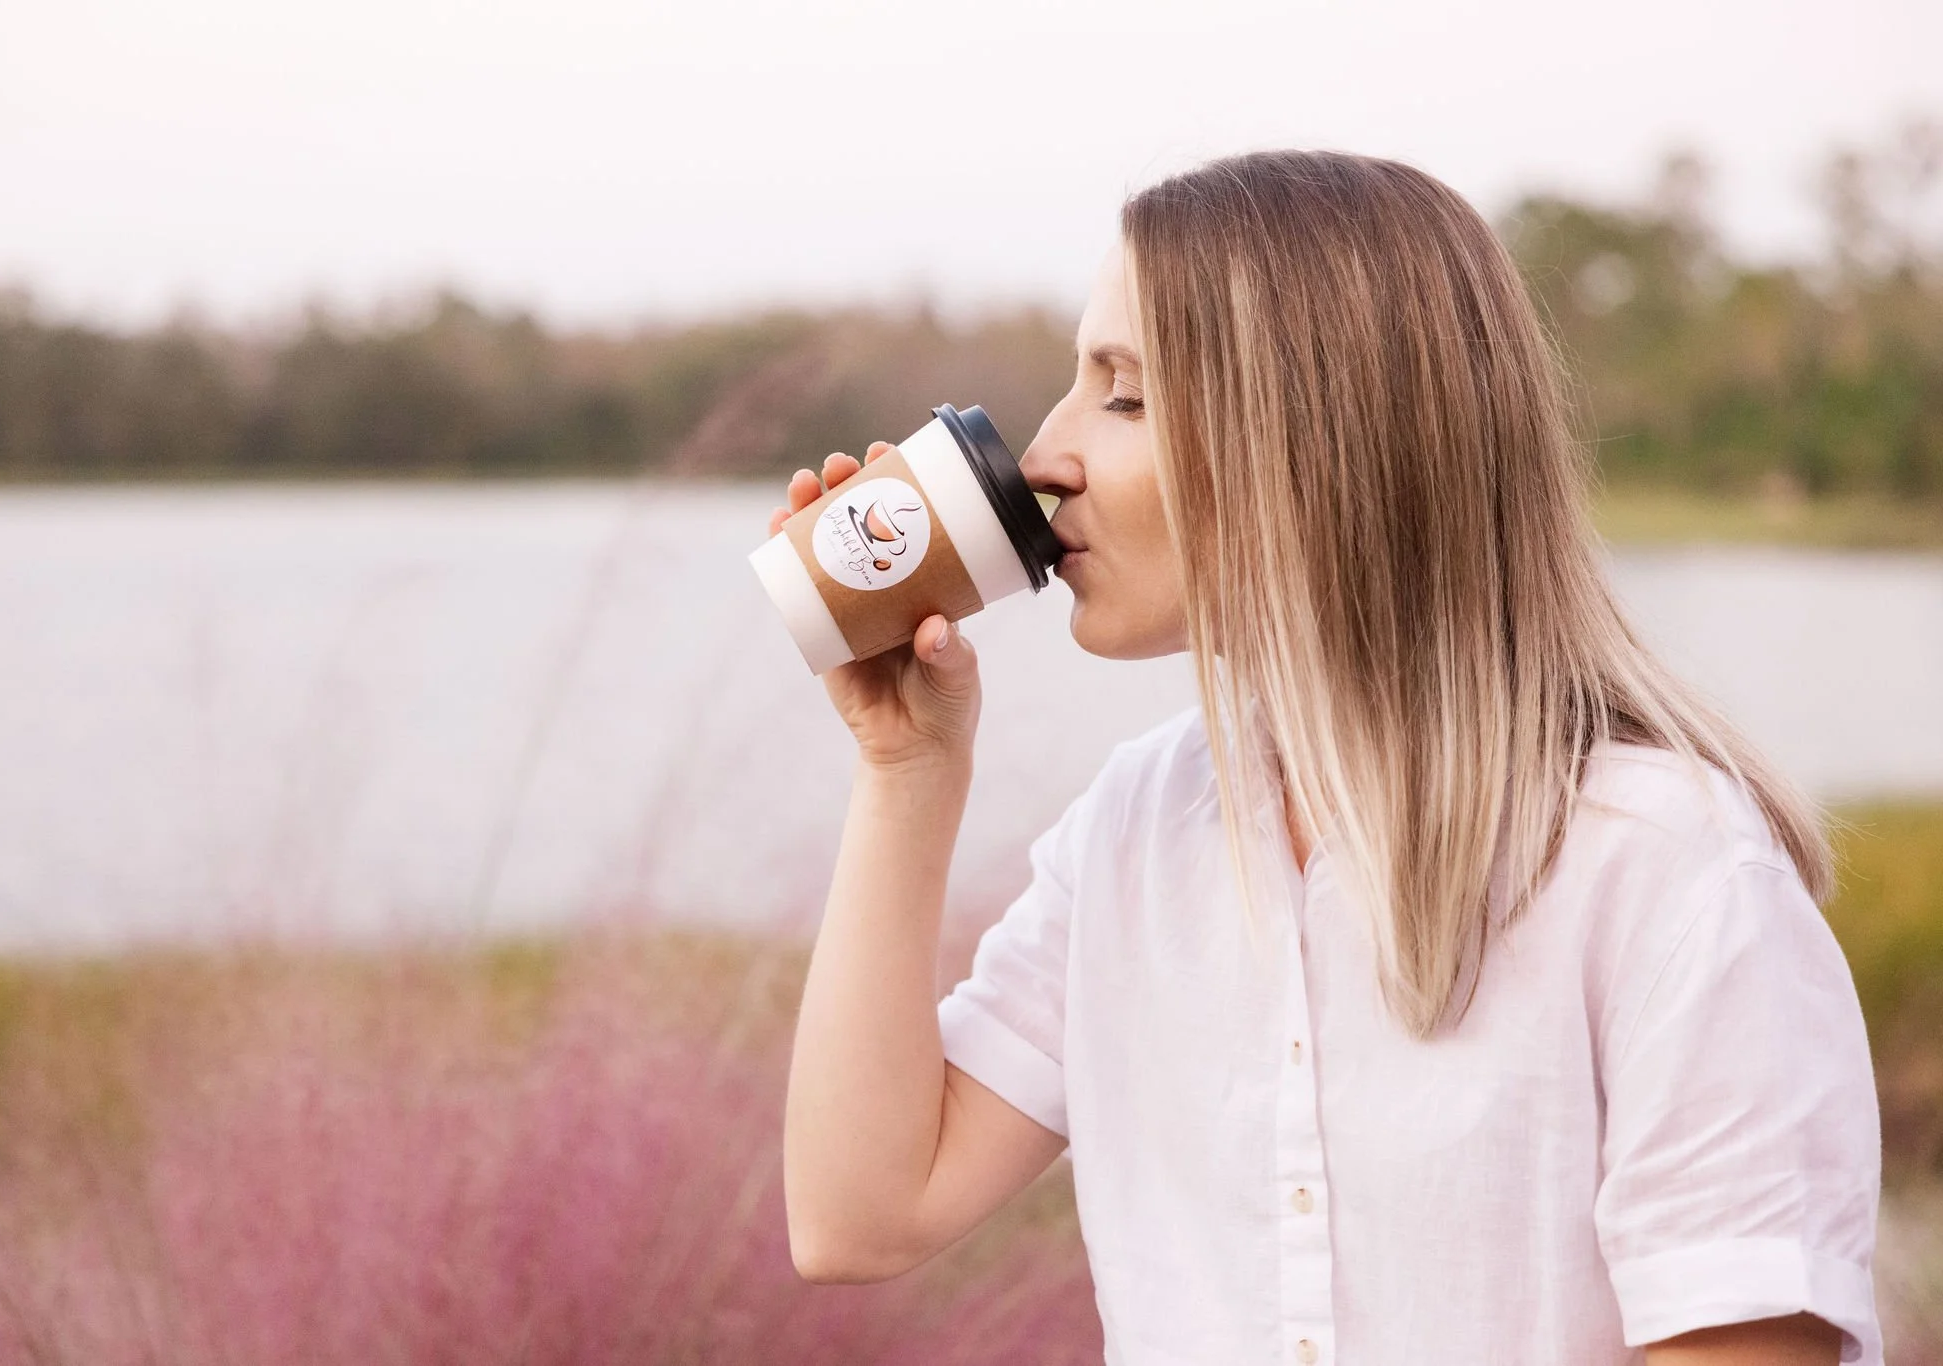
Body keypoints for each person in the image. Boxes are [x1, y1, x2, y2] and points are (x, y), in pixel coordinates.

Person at [775, 150, 1882, 1365]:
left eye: (1124, 394)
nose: (1042, 458)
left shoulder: (1661, 872)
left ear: (1318, 438)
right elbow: (858, 1214)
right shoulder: (1134, 834)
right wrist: (905, 777)